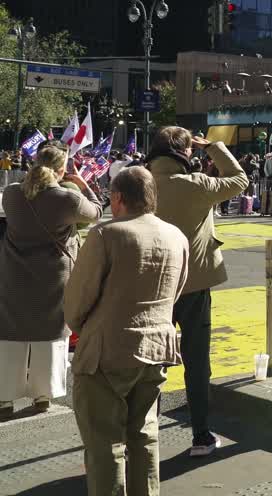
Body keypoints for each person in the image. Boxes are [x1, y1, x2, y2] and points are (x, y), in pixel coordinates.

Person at [64, 167, 188, 496]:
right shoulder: (176, 236)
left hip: (107, 351)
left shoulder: (107, 234)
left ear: (118, 198)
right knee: (144, 437)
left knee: (105, 445)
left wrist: (84, 329)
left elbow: (77, 300)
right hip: (156, 347)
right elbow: (175, 293)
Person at [147, 126, 249, 457]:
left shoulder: (140, 182)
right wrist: (213, 147)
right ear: (185, 153)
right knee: (196, 360)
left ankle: (145, 433)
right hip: (193, 282)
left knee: (151, 362)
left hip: (150, 285)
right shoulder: (196, 185)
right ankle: (201, 435)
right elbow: (239, 179)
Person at [0, 143, 102, 417]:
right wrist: (81, 182)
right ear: (62, 170)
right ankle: (43, 395)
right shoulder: (66, 199)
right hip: (53, 276)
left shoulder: (11, 194)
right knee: (51, 334)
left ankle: (4, 398)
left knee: (11, 332)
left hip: (14, 273)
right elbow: (96, 212)